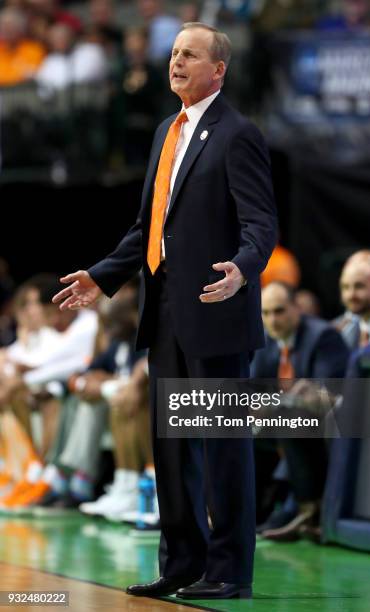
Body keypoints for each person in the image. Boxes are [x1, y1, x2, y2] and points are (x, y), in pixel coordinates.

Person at [52, 22, 277, 600]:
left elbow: (261, 223)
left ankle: (229, 570)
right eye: (174, 52)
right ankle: (181, 563)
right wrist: (102, 277)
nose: (176, 61)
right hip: (167, 312)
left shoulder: (238, 135)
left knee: (222, 448)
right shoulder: (164, 133)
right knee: (172, 449)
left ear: (218, 70)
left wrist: (242, 268)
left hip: (217, 309)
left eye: (190, 55)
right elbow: (148, 229)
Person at [251, 282, 349, 541]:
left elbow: (326, 397)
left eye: (279, 311)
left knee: (288, 419)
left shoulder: (322, 337)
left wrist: (276, 403)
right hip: (281, 423)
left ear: (297, 308)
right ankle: (251, 511)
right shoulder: (266, 341)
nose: (273, 320)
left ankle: (308, 509)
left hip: (325, 426)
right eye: (266, 312)